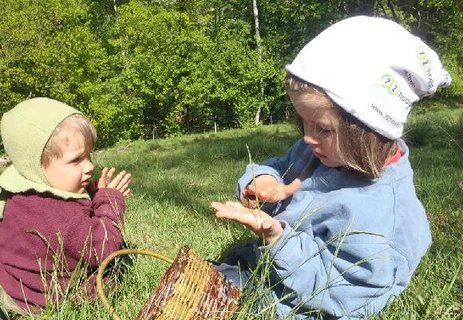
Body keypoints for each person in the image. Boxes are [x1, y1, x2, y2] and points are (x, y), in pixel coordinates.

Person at [211, 16, 451, 319]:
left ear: (369, 128)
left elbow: (338, 292)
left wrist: (276, 238)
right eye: (303, 123)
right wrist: (264, 181)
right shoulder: (321, 151)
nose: (308, 138)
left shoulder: (381, 218)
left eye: (323, 128)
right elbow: (281, 166)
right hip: (267, 265)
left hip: (306, 297)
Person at [0, 97, 132, 317]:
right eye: (76, 160)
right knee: (113, 272)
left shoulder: (21, 190)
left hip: (13, 284)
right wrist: (110, 201)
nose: (89, 166)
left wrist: (95, 193)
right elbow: (105, 247)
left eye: (89, 155)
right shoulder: (57, 212)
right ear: (36, 165)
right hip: (42, 301)